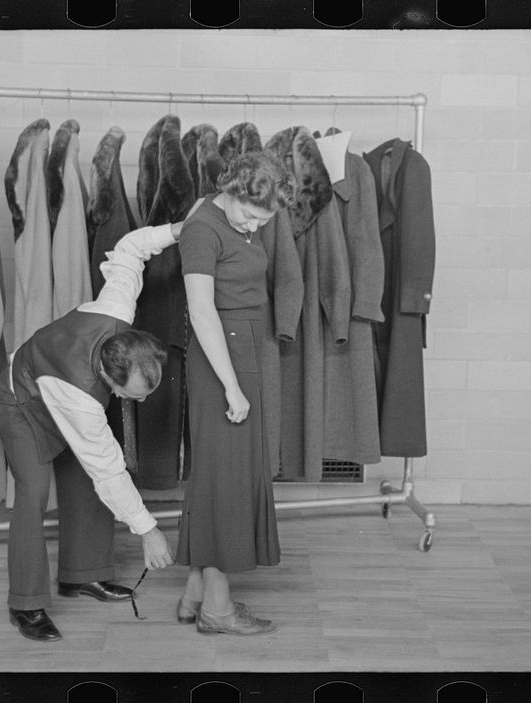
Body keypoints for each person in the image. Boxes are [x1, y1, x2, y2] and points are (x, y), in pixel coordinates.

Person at [0, 206, 201, 642]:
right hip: (20, 405)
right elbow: (107, 467)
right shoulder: (83, 400)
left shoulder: (116, 308)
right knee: (33, 494)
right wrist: (149, 530)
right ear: (110, 376)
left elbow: (130, 249)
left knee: (85, 484)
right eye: (135, 394)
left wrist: (177, 231)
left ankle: (81, 575)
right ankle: (25, 606)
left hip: (57, 392)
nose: (139, 401)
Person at [175, 151, 297, 636]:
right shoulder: (202, 228)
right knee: (224, 478)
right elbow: (201, 311)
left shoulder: (231, 216)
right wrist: (231, 386)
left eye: (263, 221)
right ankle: (218, 610)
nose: (253, 225)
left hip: (240, 348)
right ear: (233, 187)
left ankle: (194, 595)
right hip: (219, 356)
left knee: (218, 472)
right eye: (249, 213)